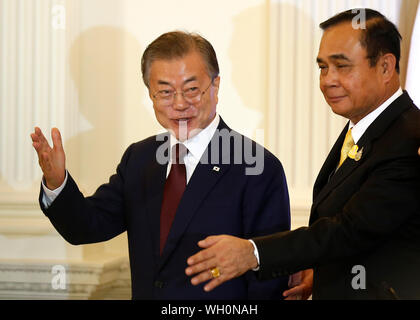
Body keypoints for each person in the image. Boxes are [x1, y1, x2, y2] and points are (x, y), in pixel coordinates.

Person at [30, 31, 291, 299]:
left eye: (191, 89)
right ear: (151, 95)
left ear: (216, 86)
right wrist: (56, 181)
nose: (179, 104)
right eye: (165, 92)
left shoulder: (256, 166)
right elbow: (86, 227)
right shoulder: (140, 158)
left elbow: (270, 279)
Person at [185, 9, 420, 300]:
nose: (328, 80)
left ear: (386, 67)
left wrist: (253, 252)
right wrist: (320, 271)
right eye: (322, 67)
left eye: (341, 66)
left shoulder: (409, 139)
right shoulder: (366, 129)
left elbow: (351, 230)